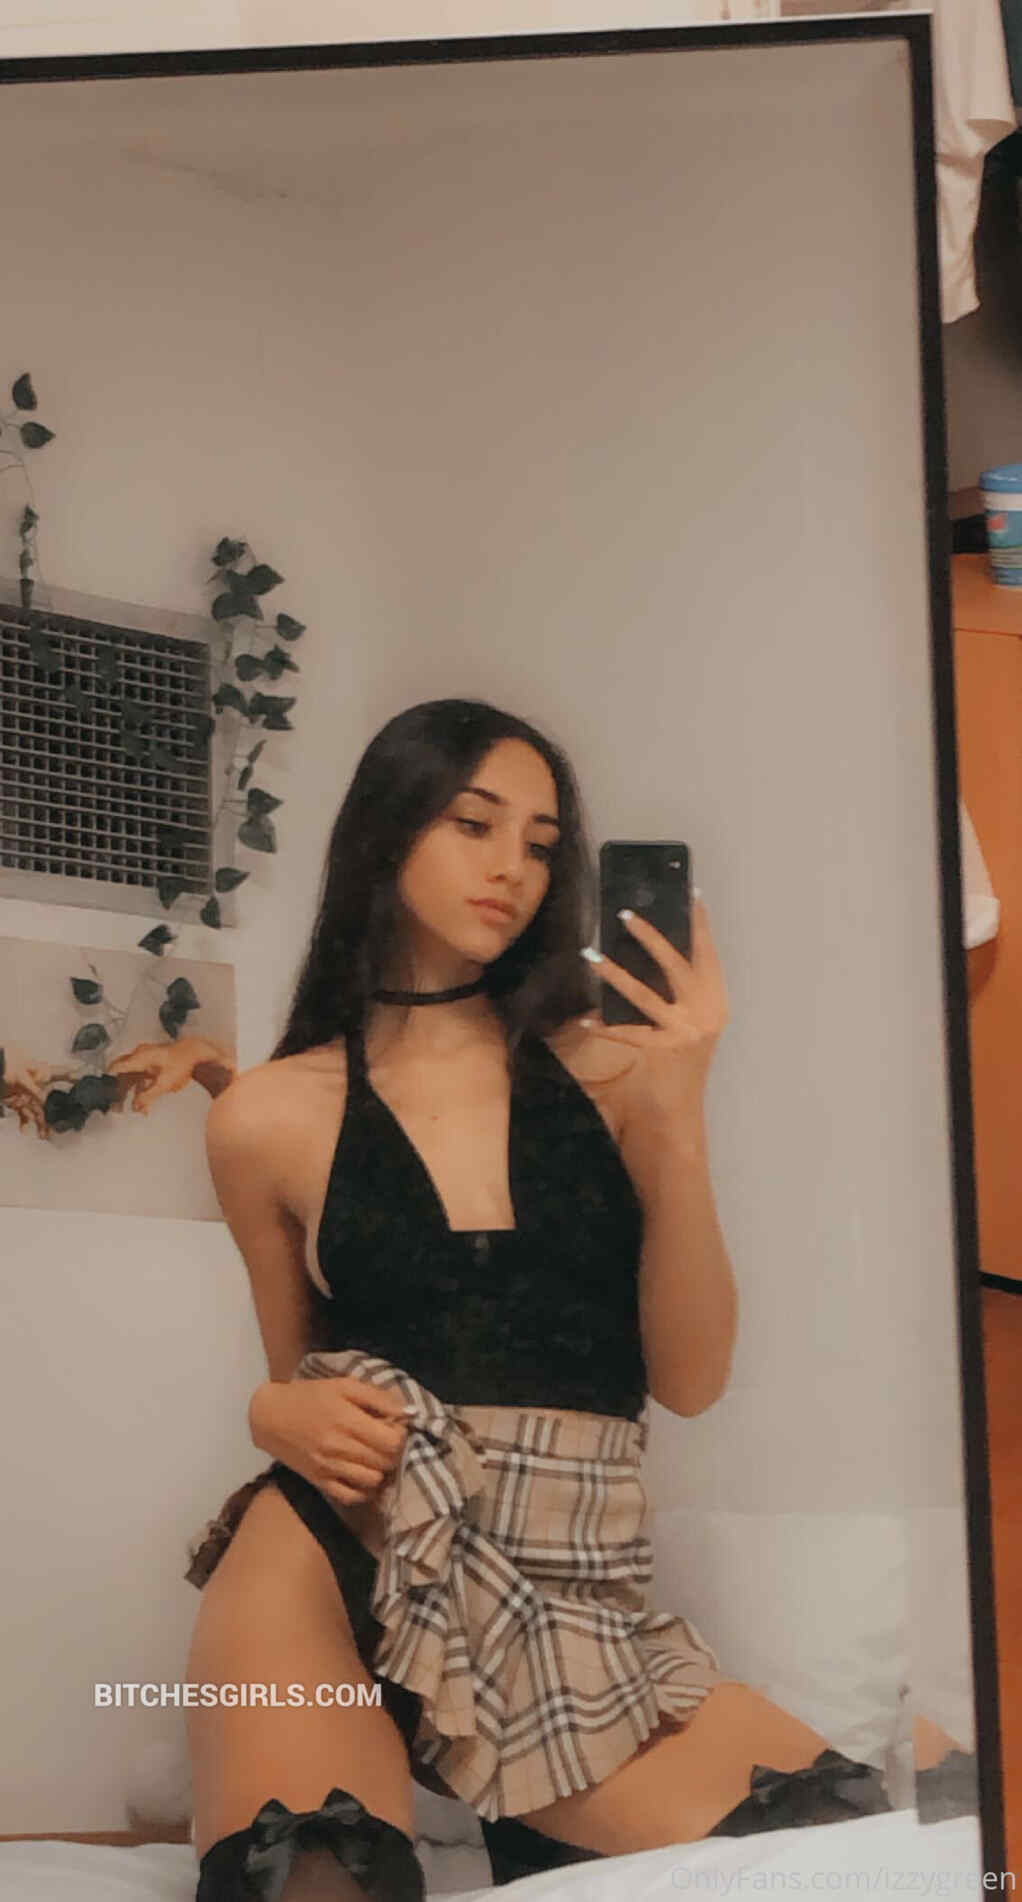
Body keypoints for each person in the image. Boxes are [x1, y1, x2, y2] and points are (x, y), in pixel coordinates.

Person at [182, 698, 899, 1901]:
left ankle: (536, 1825)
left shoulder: (612, 1069)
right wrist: (271, 1412)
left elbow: (690, 1380)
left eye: (540, 841)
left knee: (848, 1845)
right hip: (331, 1554)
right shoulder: (263, 1116)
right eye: (474, 824)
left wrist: (679, 1108)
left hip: (560, 1593)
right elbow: (295, 1380)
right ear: (386, 831)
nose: (512, 867)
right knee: (311, 1876)